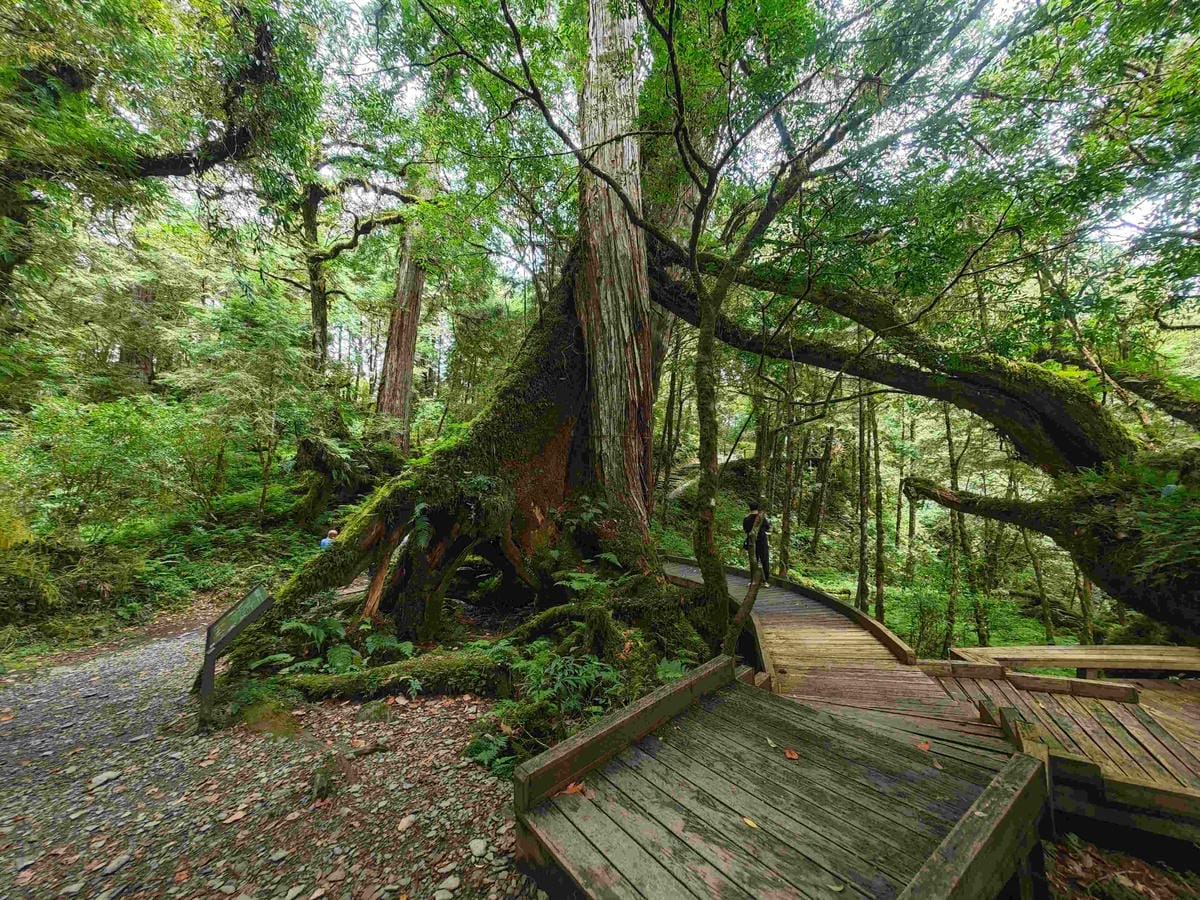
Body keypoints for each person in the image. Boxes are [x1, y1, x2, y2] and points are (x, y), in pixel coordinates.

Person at [742, 501, 770, 580]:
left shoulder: (746, 519)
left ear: (749, 508)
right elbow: (767, 527)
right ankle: (766, 580)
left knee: (754, 561)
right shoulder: (761, 518)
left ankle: (753, 580)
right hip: (762, 542)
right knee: (764, 561)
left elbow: (745, 530)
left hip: (752, 542)